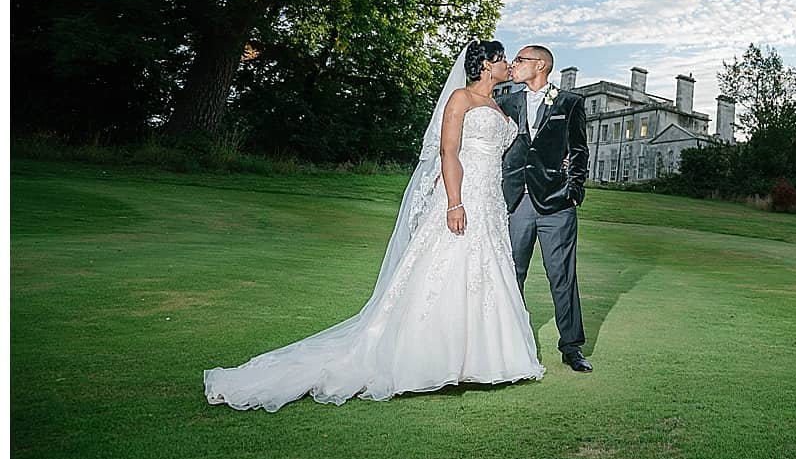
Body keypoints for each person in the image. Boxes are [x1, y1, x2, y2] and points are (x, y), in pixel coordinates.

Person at [203, 41, 543, 411]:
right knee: (444, 271)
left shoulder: (500, 105)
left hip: (491, 202)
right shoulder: (460, 98)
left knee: (486, 275)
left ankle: (484, 359)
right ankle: (426, 358)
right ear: (485, 66)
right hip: (463, 196)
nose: (508, 64)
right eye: (502, 59)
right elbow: (448, 152)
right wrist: (454, 202)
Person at [500, 45, 593, 372]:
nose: (514, 65)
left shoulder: (570, 103)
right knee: (512, 274)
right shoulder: (505, 103)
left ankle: (571, 347)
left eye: (520, 60)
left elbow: (580, 151)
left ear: (540, 65)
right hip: (516, 202)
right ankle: (509, 341)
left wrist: (573, 192)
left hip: (557, 204)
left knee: (562, 276)